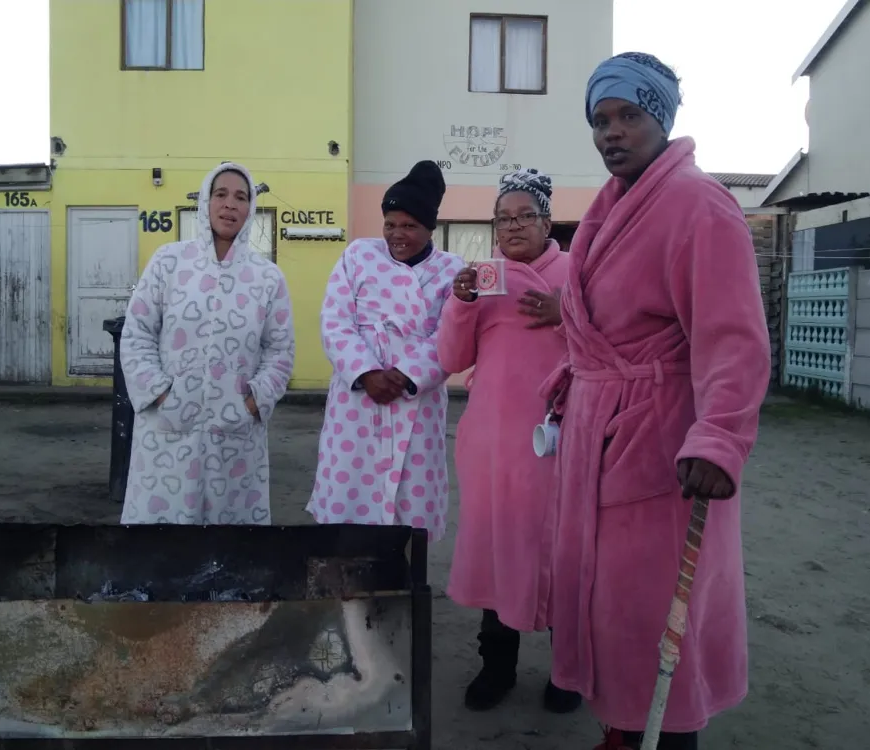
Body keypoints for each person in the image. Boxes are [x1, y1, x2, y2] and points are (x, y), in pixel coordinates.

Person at [541, 53, 771, 750]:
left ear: (661, 118)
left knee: (654, 620)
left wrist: (719, 439)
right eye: (600, 120)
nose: (611, 132)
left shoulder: (700, 205)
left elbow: (733, 337)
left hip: (662, 444)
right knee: (609, 609)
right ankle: (620, 730)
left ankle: (664, 739)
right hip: (597, 430)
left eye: (629, 115)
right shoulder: (610, 207)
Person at [437, 169, 580, 714]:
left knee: (563, 555)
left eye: (525, 216)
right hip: (494, 444)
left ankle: (568, 673)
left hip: (562, 441)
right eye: (503, 218)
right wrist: (461, 303)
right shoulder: (484, 277)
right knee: (498, 554)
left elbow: (612, 341)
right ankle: (496, 667)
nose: (513, 226)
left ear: (547, 221)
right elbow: (452, 359)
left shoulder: (578, 272)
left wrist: (566, 312)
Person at [119, 162, 295, 525]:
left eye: (241, 197)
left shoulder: (267, 278)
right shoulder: (169, 262)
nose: (230, 204)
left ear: (251, 208)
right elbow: (137, 334)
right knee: (162, 538)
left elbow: (280, 351)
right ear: (205, 200)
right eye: (221, 194)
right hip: (168, 430)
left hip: (235, 434)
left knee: (229, 543)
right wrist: (162, 395)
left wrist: (251, 404)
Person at [308, 160, 466, 541]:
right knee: (350, 505)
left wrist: (407, 375)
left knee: (409, 515)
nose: (397, 235)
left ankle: (407, 574)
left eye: (409, 226)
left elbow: (451, 333)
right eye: (390, 224)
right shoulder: (358, 255)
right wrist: (366, 373)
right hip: (358, 403)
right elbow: (334, 320)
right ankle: (347, 574)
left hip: (416, 398)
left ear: (430, 228)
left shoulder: (451, 269)